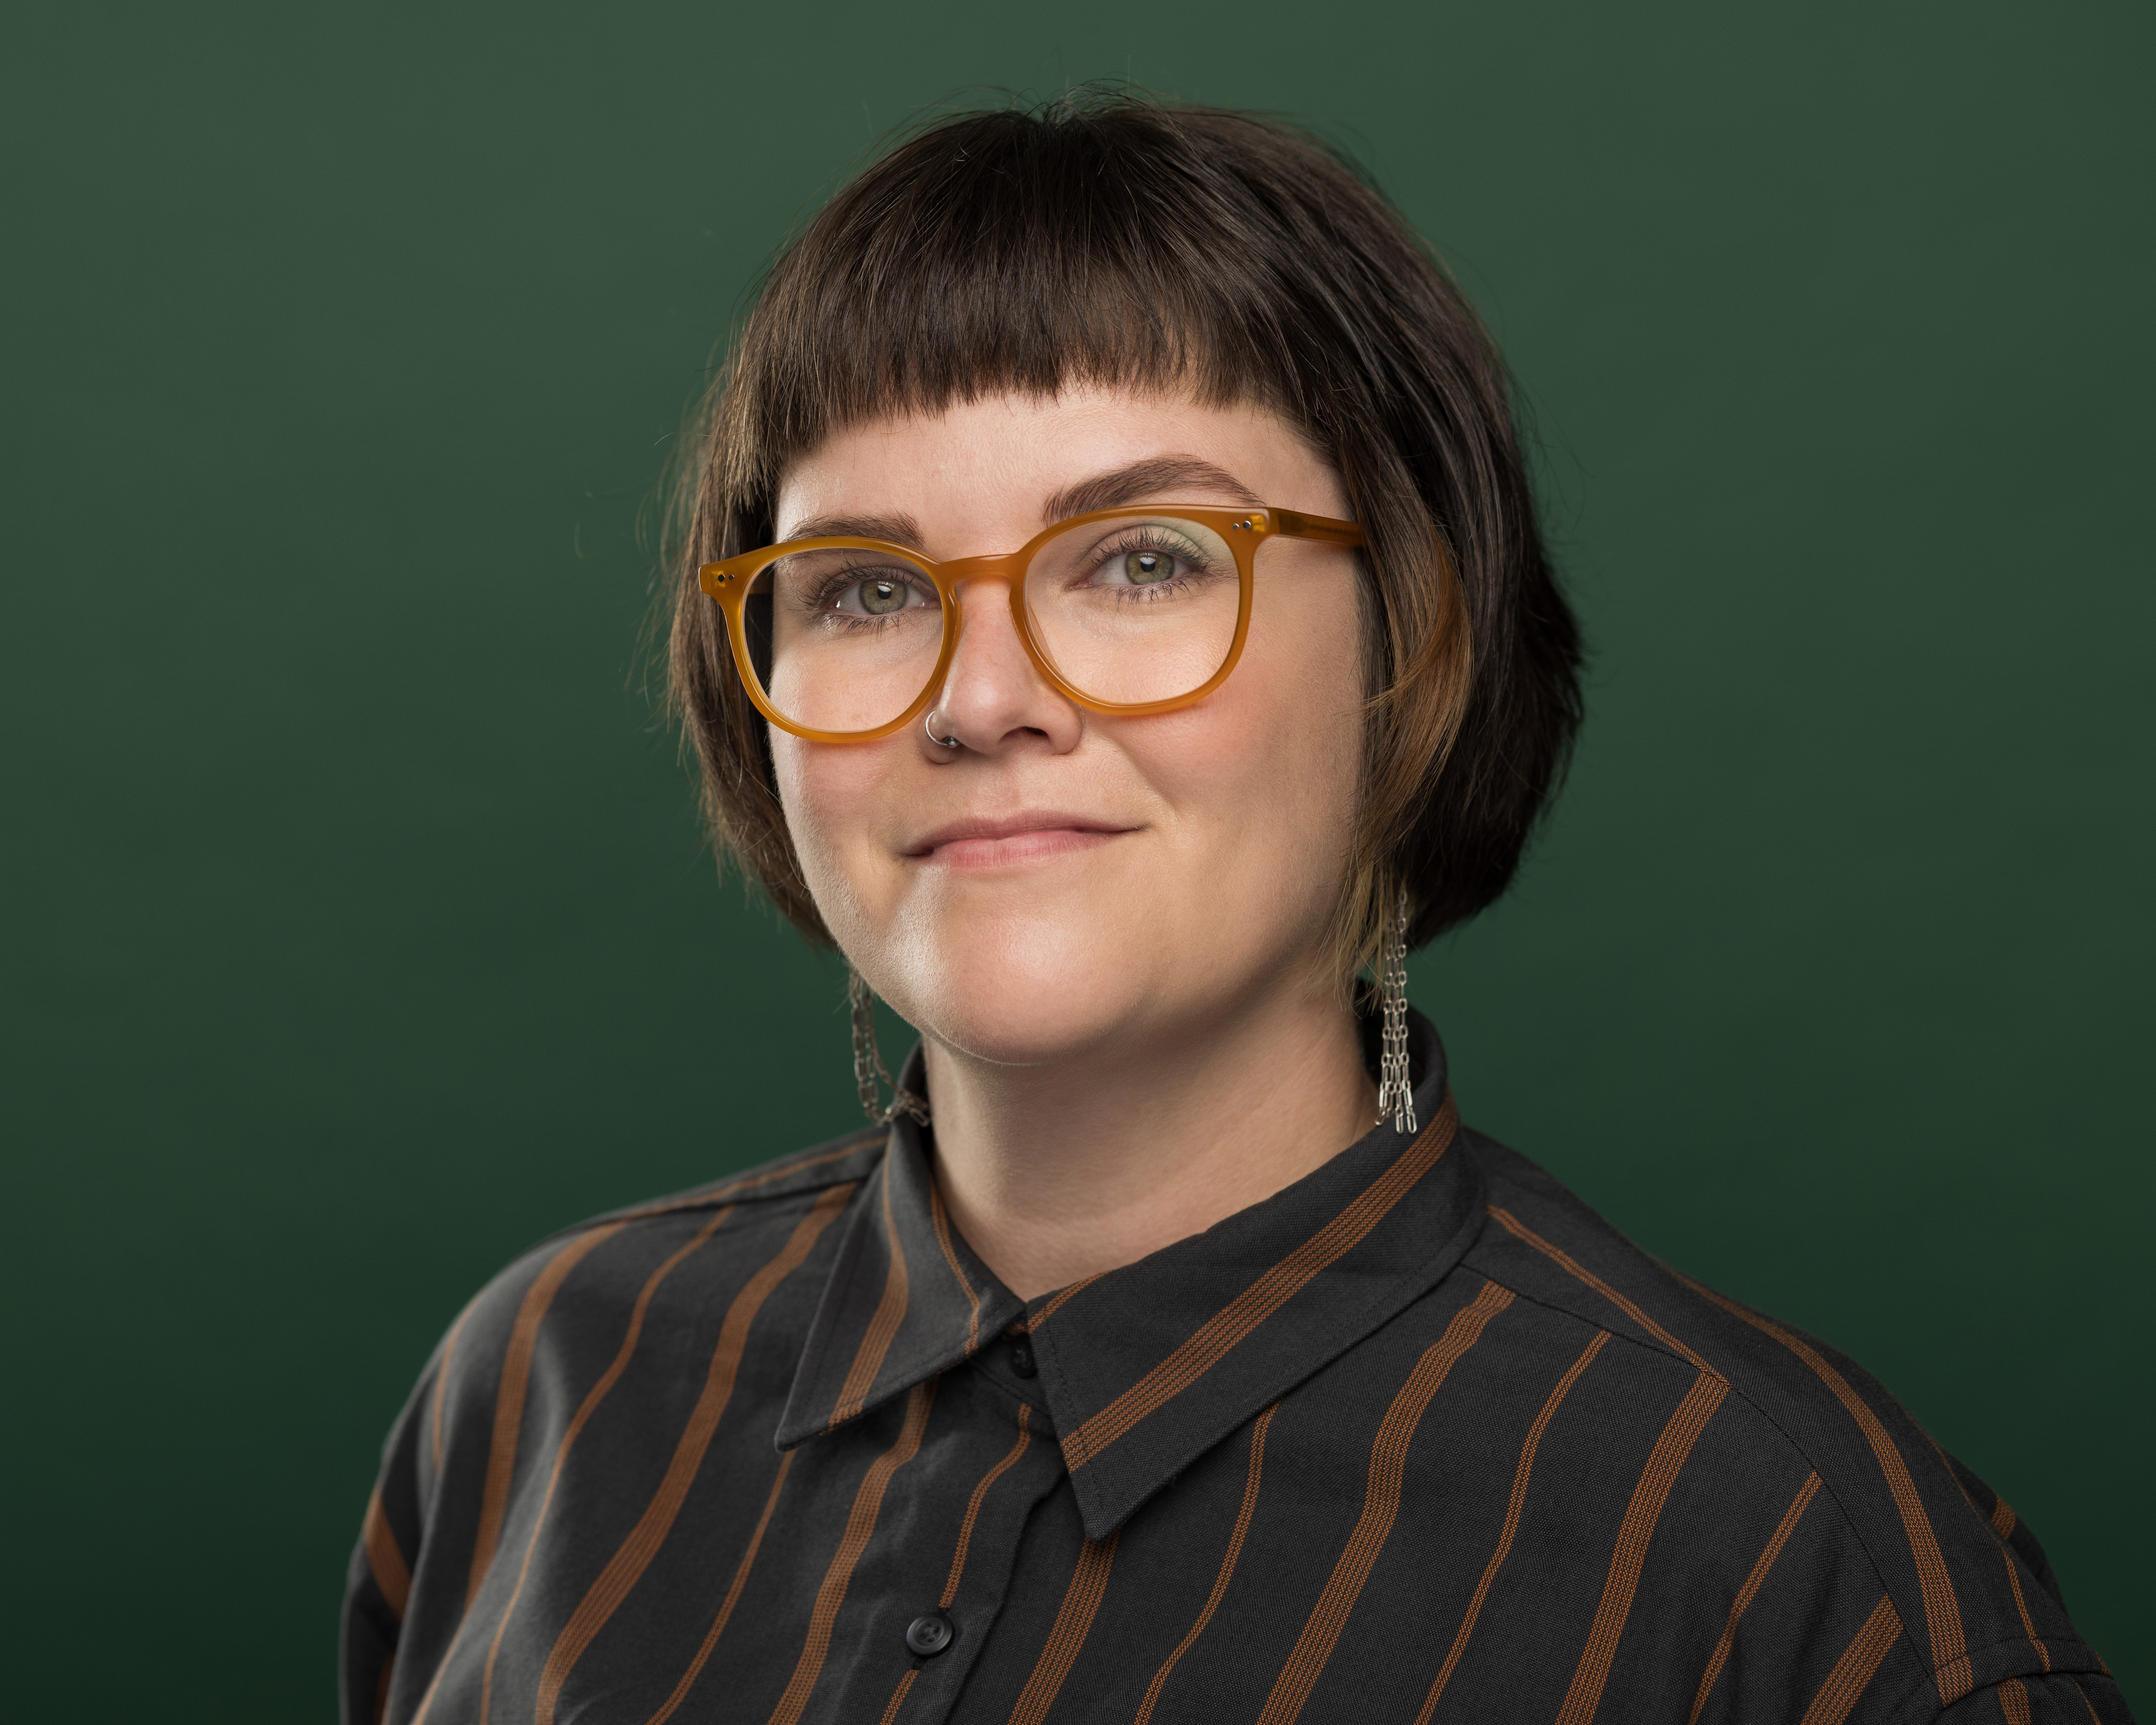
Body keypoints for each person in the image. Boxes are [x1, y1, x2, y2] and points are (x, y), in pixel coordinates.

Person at [341, 95, 2129, 1725]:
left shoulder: (1794, 1577)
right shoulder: (548, 1389)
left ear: (1409, 645)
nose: (980, 700)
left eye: (1140, 561)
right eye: (866, 587)